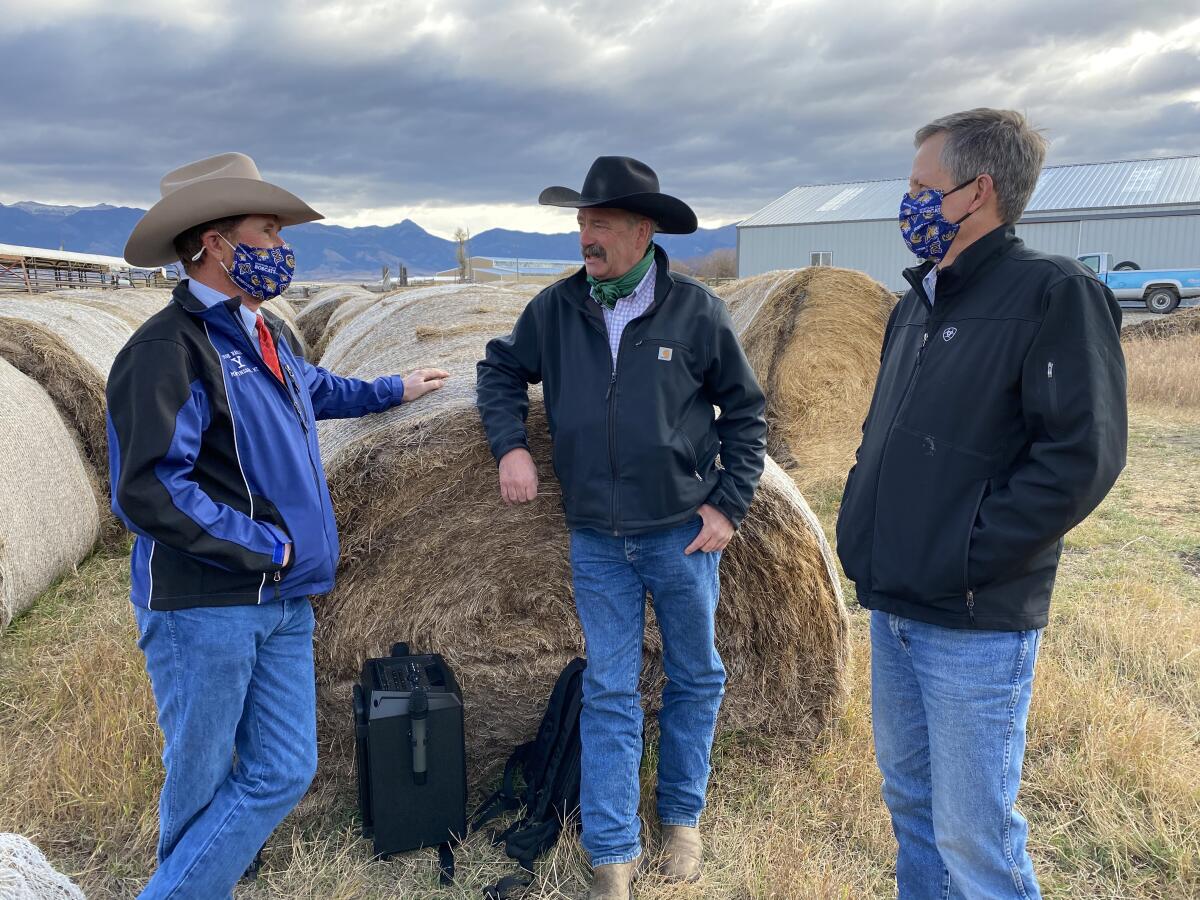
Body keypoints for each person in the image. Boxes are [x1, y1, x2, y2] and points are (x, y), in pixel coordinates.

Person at [110, 152, 448, 899]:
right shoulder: (169, 352)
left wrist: (395, 387)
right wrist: (266, 547)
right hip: (207, 607)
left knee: (283, 768)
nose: (280, 248)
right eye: (266, 231)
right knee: (199, 781)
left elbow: (313, 389)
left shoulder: (266, 335)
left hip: (284, 602)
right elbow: (148, 490)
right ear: (214, 244)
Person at [836, 109, 1127, 898]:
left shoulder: (1054, 293)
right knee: (913, 812)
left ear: (977, 192)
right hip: (893, 604)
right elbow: (884, 438)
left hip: (972, 621)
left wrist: (966, 554)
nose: (910, 203)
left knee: (976, 837)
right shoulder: (917, 304)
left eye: (922, 187)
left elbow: (1080, 459)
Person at [476, 156, 766, 899]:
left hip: (680, 533)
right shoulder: (557, 308)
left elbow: (747, 412)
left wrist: (727, 505)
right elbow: (500, 369)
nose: (585, 236)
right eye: (580, 222)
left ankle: (681, 821)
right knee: (610, 688)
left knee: (695, 677)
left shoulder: (697, 312)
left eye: (599, 223)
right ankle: (612, 854)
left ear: (642, 230)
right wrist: (510, 445)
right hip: (596, 539)